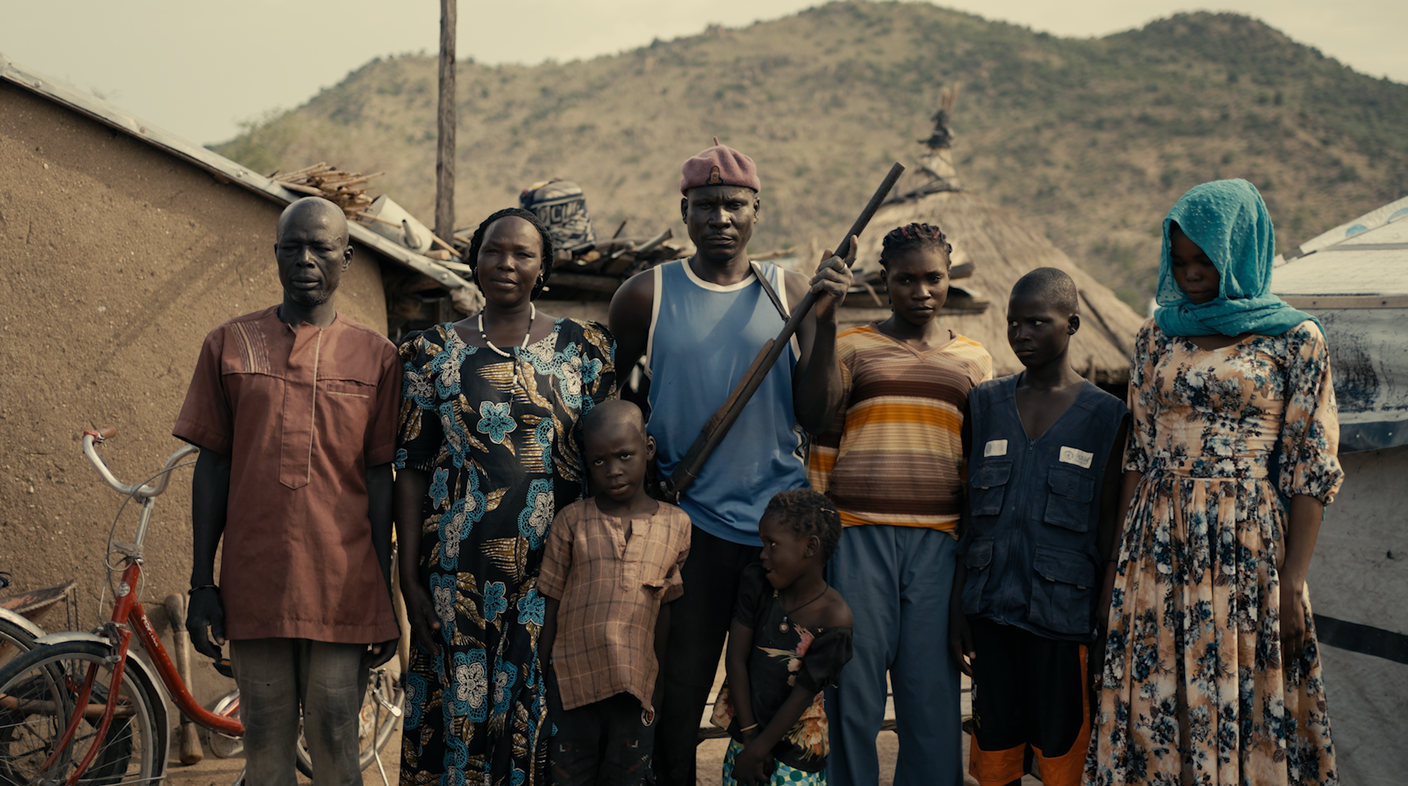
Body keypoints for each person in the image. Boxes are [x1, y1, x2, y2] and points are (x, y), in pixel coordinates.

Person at [607, 140, 853, 785]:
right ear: (684, 211)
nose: (720, 217)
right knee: (681, 692)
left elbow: (819, 413)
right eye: (706, 205)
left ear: (756, 211)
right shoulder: (644, 295)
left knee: (780, 691)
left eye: (733, 205)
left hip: (781, 533)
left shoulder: (789, 292)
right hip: (689, 527)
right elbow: (620, 400)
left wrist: (825, 322)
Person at [1085, 179, 1344, 786]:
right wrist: (1117, 568)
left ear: (1240, 251)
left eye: (1206, 259)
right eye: (1180, 261)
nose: (1192, 273)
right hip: (1156, 544)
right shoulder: (1155, 336)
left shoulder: (1295, 340)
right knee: (1157, 697)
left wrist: (1293, 581)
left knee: (1244, 689)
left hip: (1245, 546)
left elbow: (1311, 469)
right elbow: (1138, 457)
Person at [177, 196, 402, 785]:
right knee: (266, 749)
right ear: (275, 254)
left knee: (335, 744)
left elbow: (381, 480)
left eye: (321, 247)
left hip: (344, 586)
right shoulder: (228, 344)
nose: (305, 258)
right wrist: (204, 582)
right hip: (256, 584)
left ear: (346, 257)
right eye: (291, 246)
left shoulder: (378, 357)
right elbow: (213, 468)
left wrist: (385, 597)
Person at [394, 207, 617, 785]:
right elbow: (413, 468)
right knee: (460, 714)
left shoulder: (586, 350)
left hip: (555, 573)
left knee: (539, 715)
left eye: (523, 254)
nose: (507, 263)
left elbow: (611, 459)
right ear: (474, 260)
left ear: (543, 268)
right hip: (456, 573)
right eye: (494, 250)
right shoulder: (430, 351)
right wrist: (410, 578)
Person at [806, 222, 991, 786]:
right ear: (885, 282)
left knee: (931, 693)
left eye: (932, 278)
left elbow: (975, 463)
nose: (921, 290)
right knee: (854, 689)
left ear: (948, 279)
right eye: (905, 279)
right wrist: (821, 539)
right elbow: (824, 442)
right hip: (857, 536)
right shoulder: (851, 347)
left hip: (939, 543)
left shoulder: (975, 360)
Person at [947, 268, 1129, 786]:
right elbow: (969, 516)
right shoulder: (985, 404)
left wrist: (1104, 607)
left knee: (1063, 756)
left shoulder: (1107, 416)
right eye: (1012, 322)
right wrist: (961, 602)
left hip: (1063, 618)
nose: (1021, 332)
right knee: (995, 754)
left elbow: (1109, 524)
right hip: (991, 612)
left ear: (1071, 324)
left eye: (1037, 321)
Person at [538, 400, 692, 786]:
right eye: (599, 461)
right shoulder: (572, 520)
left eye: (625, 455)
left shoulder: (676, 525)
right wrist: (545, 675)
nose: (614, 470)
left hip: (635, 685)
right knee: (569, 776)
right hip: (573, 684)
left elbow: (665, 610)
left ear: (648, 449)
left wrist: (655, 685)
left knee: (626, 776)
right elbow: (552, 601)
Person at [712, 490, 853, 786]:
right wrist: (750, 739)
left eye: (772, 544)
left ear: (810, 547)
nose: (762, 553)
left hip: (797, 754)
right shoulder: (757, 585)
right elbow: (736, 660)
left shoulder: (834, 619)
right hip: (746, 738)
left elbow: (802, 693)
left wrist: (759, 749)